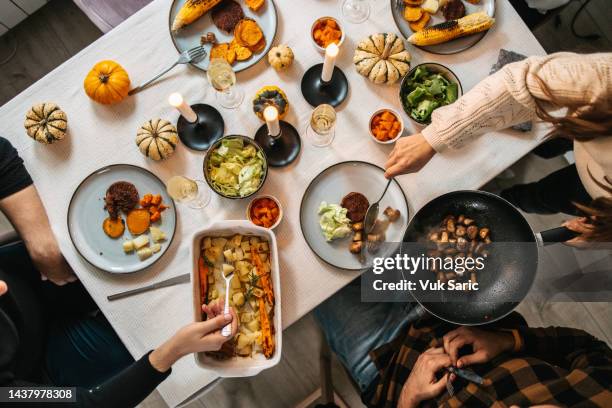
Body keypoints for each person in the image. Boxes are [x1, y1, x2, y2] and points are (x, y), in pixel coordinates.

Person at [0, 136, 238, 406]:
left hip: (30, 274)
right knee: (154, 324)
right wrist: (173, 350)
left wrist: (39, 243)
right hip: (48, 362)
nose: (2, 288)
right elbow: (90, 404)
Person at [385, 52, 612, 243]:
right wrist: (433, 137)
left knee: (544, 197)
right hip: (586, 130)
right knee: (546, 144)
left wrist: (602, 230)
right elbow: (523, 81)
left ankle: (509, 198)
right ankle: (536, 158)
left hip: (598, 200)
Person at [314, 281, 612, 407]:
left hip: (384, 360)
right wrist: (509, 340)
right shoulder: (603, 395)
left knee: (312, 278)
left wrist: (408, 398)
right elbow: (588, 348)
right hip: (456, 307)